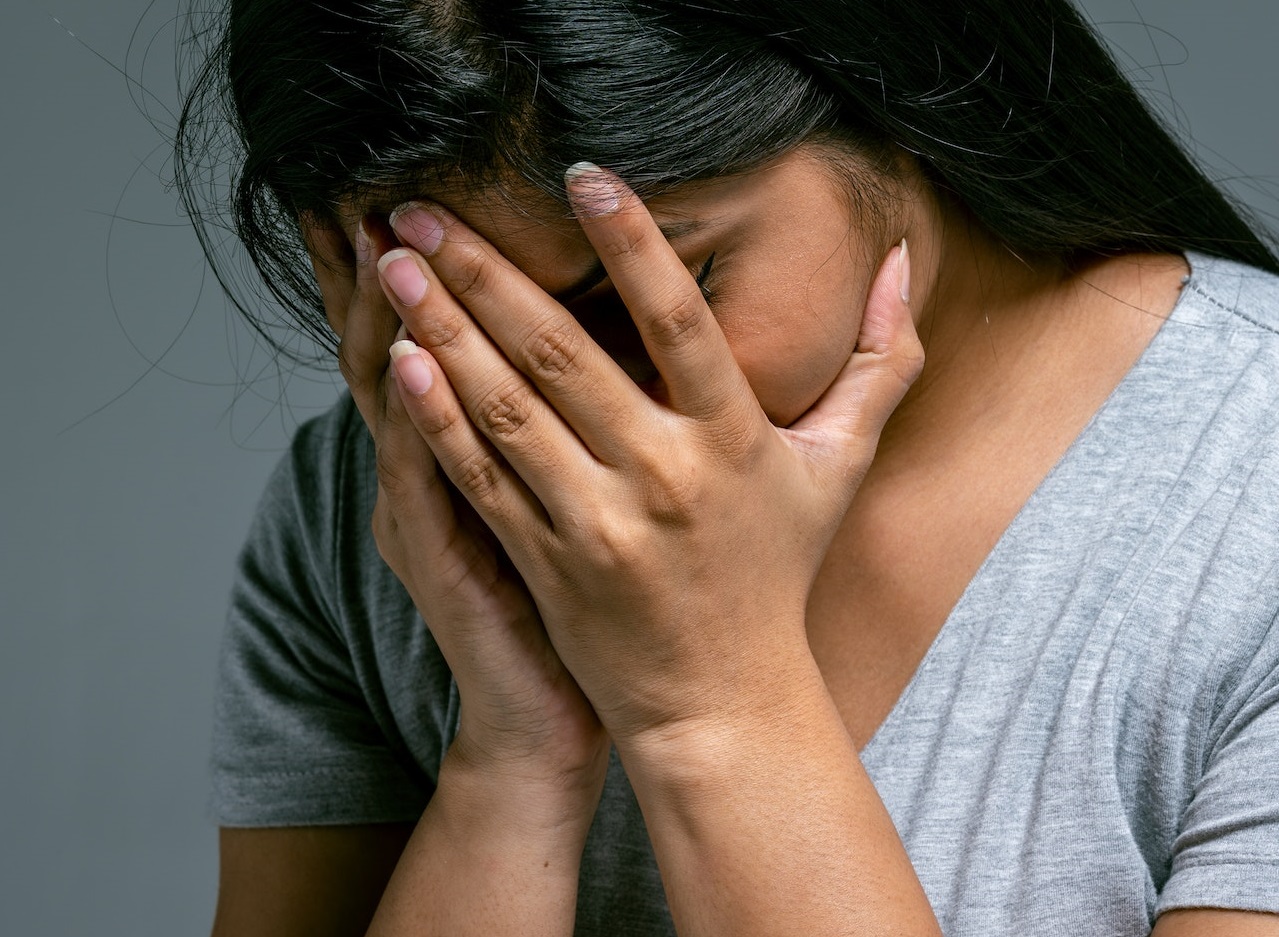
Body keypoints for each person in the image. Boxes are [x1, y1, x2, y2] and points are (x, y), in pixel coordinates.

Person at [180, 1, 1279, 934]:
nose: (577, 422)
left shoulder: (1246, 487)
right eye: (473, 318)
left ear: (889, 96)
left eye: (669, 289)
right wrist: (513, 758)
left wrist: (713, 702)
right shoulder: (388, 508)